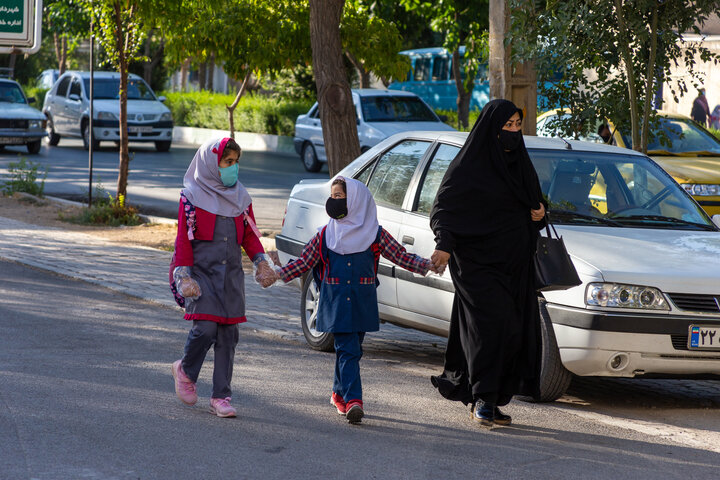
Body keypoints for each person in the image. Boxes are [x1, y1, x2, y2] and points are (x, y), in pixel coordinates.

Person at [258, 177, 437, 424]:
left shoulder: (375, 234)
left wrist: (425, 265)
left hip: (363, 302)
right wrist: (277, 274)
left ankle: (337, 393)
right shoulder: (325, 235)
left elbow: (400, 256)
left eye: (340, 197)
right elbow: (304, 262)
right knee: (348, 349)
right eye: (332, 196)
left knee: (352, 350)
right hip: (336, 302)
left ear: (356, 201)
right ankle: (354, 400)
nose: (334, 202)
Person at [428, 99, 547, 428]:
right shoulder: (468, 167)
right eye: (506, 126)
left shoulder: (520, 164)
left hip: (514, 266)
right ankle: (482, 397)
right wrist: (444, 246)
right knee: (489, 326)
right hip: (476, 265)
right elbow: (443, 210)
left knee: (511, 329)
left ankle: (492, 399)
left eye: (517, 125)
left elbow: (534, 207)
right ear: (491, 129)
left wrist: (539, 214)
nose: (512, 132)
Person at [170, 137, 273, 418]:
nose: (233, 169)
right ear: (212, 165)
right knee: (205, 329)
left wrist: (261, 262)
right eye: (228, 162)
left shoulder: (241, 198)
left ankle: (221, 396)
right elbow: (183, 240)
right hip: (201, 275)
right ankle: (185, 370)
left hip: (231, 277)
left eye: (236, 162)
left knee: (229, 335)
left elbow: (250, 236)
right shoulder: (191, 197)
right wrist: (184, 277)